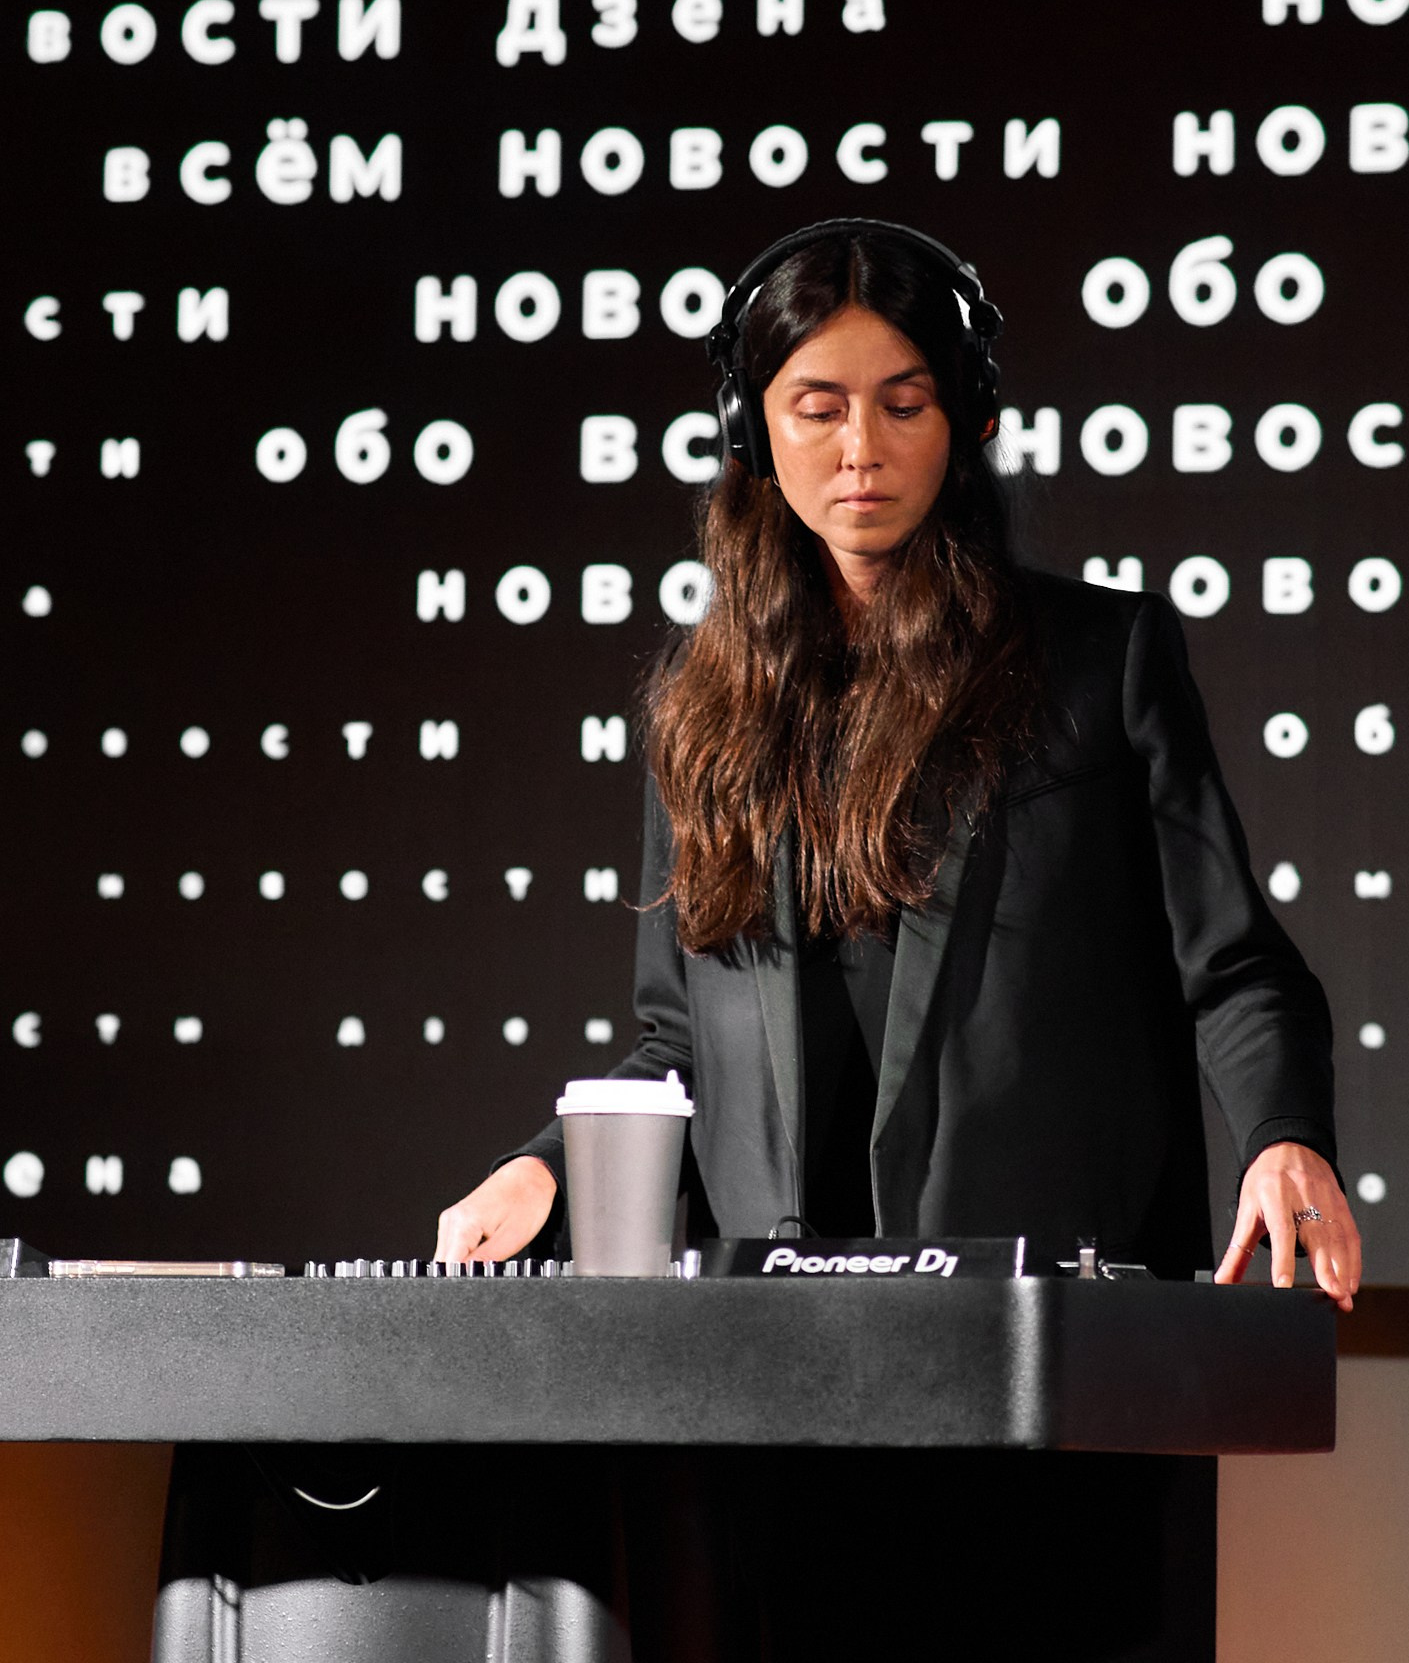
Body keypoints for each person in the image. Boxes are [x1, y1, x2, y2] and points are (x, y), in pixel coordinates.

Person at [435, 219, 1359, 1307]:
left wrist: (1285, 1137)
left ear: (966, 419)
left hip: (1040, 1314)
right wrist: (546, 1163)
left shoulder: (1100, 660)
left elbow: (1237, 967)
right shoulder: (704, 697)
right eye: (818, 408)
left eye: (904, 405)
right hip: (772, 1327)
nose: (861, 447)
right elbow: (683, 1039)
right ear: (752, 427)